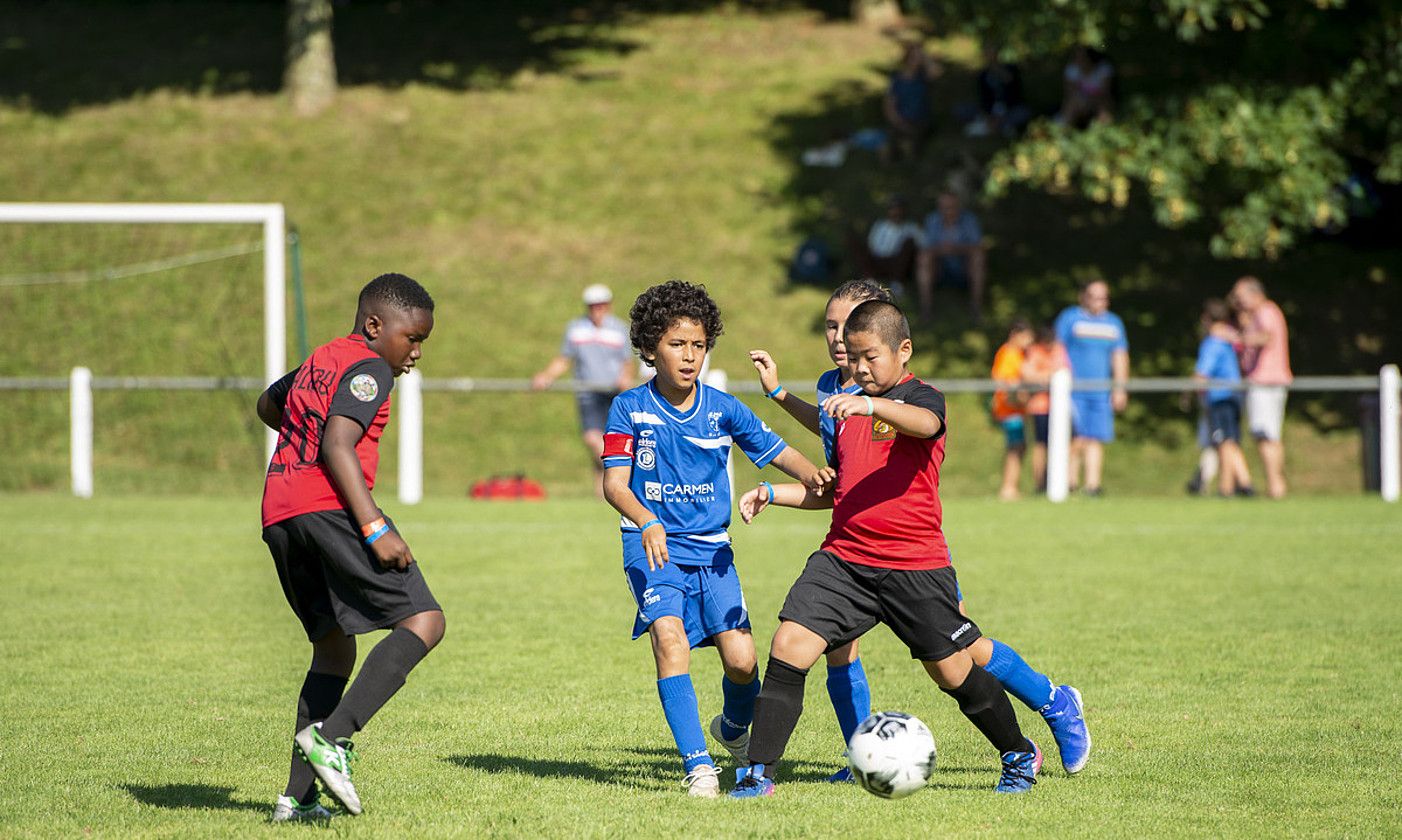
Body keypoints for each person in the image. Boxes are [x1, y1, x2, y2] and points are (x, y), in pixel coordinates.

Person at [730, 300, 1086, 799]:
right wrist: (772, 489)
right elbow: (841, 491)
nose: (858, 368)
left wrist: (870, 404)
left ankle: (1019, 752)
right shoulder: (847, 402)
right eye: (852, 358)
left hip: (914, 565)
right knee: (789, 644)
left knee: (952, 669)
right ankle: (757, 775)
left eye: (869, 357)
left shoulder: (922, 397)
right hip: (845, 560)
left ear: (904, 350)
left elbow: (923, 424)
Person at [600, 280, 831, 798]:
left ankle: (729, 729)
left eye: (698, 345)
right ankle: (698, 765)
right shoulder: (629, 409)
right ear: (650, 347)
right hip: (651, 545)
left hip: (713, 549)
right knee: (669, 639)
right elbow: (614, 484)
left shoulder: (721, 408)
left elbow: (774, 450)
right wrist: (647, 519)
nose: (689, 356)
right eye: (677, 344)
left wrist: (814, 473)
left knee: (743, 661)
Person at [257, 273, 445, 820]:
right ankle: (333, 739)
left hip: (280, 513)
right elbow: (339, 442)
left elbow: (270, 404)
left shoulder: (322, 358)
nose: (414, 353)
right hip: (331, 509)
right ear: (374, 326)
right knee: (424, 621)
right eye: (411, 339)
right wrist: (374, 527)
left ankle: (296, 801)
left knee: (334, 649)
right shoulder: (370, 368)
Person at [532, 284, 634, 496]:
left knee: (612, 438)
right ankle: (621, 475)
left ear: (608, 306)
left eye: (601, 305)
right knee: (592, 438)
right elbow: (565, 358)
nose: (597, 309)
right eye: (593, 306)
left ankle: (602, 493)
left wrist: (625, 379)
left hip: (614, 392)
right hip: (588, 391)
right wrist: (546, 376)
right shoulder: (576, 328)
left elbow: (627, 361)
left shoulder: (619, 329)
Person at [1055, 280, 1129, 496]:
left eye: (1104, 297)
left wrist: (1120, 388)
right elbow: (1058, 349)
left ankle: (1092, 485)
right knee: (1076, 438)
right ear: (1084, 297)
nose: (1100, 302)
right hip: (1073, 391)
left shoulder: (1114, 323)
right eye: (1095, 296)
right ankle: (1068, 482)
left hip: (1101, 391)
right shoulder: (1070, 318)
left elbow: (1120, 356)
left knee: (1096, 437)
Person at [1230, 276, 1292, 498]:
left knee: (1266, 435)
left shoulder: (1266, 311)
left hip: (1266, 382)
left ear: (1254, 294)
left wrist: (1238, 338)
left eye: (1240, 297)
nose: (1237, 302)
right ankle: (1276, 485)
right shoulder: (1260, 314)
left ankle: (1276, 486)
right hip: (1267, 382)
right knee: (1268, 435)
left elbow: (1266, 337)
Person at [1194, 299, 1255, 497]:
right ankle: (1237, 485)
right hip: (1234, 396)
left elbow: (1202, 374)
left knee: (1224, 442)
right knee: (1230, 441)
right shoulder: (1228, 341)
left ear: (1206, 319)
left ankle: (1234, 485)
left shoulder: (1213, 343)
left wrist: (1190, 392)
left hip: (1220, 397)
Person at [917, 191, 987, 323]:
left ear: (958, 206)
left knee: (978, 258)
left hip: (963, 268)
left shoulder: (969, 220)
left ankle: (976, 307)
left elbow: (978, 247)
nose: (947, 211)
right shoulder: (932, 220)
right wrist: (941, 250)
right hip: (940, 268)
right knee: (924, 258)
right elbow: (926, 247)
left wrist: (955, 248)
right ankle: (926, 308)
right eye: (944, 207)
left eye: (951, 207)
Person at [1020, 325, 1070, 492]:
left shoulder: (1059, 350)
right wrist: (1049, 377)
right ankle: (1040, 484)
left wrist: (1048, 377)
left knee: (1067, 443)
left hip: (1060, 407)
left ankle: (1064, 480)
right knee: (1041, 445)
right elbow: (1028, 375)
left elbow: (1065, 372)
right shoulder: (1035, 351)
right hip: (1040, 407)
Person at [991, 319, 1034, 500]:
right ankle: (1008, 488)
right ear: (1016, 335)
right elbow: (1003, 379)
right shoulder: (1009, 353)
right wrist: (1019, 396)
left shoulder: (1017, 354)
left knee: (1019, 446)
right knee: (1015, 447)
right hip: (1009, 410)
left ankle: (1012, 486)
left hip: (1015, 410)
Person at [850, 196, 924, 289]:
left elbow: (923, 245)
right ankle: (870, 279)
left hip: (897, 262)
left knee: (908, 242)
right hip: (876, 259)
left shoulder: (912, 228)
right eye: (893, 209)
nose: (896, 212)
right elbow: (870, 243)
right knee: (854, 242)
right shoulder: (880, 225)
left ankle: (897, 282)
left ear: (904, 211)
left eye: (899, 209)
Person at [883, 42, 939, 160]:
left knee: (914, 140)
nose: (916, 61)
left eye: (919, 58)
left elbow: (936, 72)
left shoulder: (923, 77)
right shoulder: (896, 80)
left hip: (921, 121)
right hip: (902, 121)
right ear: (906, 59)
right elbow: (889, 106)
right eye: (913, 58)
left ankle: (908, 151)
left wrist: (924, 56)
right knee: (895, 142)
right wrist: (899, 122)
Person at [968, 44, 1031, 138]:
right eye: (987, 53)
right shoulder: (983, 75)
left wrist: (995, 67)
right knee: (962, 110)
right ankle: (995, 127)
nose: (989, 56)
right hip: (991, 111)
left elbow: (1012, 84)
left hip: (1010, 109)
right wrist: (989, 116)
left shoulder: (1011, 68)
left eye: (991, 53)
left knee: (1024, 113)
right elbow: (983, 99)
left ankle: (999, 127)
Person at [1058, 46, 1115, 128]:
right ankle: (1062, 130)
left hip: (1099, 101)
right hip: (1079, 102)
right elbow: (1070, 92)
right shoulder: (1072, 69)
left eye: (1082, 58)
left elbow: (1106, 91)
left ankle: (1105, 131)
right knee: (1072, 103)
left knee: (1104, 108)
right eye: (1077, 57)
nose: (1079, 61)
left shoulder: (1104, 68)